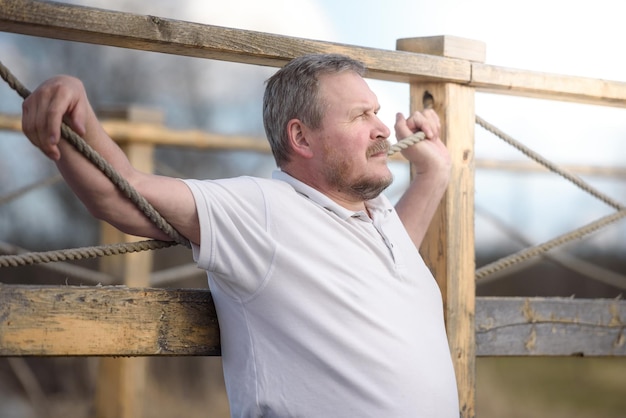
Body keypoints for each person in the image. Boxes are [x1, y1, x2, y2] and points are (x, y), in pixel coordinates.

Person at [22, 53, 459, 417]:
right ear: (301, 137)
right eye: (360, 116)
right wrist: (70, 103)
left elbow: (390, 280)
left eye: (377, 112)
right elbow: (121, 195)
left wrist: (433, 173)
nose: (382, 128)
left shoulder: (380, 219)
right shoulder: (263, 212)